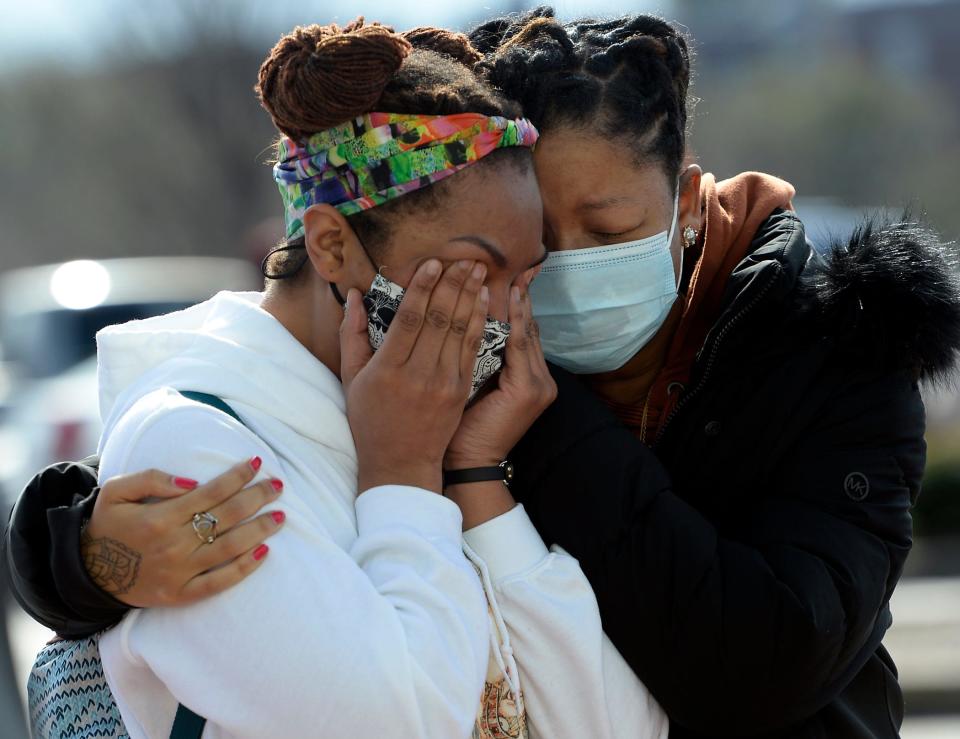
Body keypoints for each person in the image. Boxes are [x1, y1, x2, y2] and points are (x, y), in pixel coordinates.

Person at [7, 9, 960, 739]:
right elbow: (200, 461)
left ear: (684, 194)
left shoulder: (829, 353)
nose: (538, 288)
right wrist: (77, 552)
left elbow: (738, 673)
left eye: (611, 230)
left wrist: (458, 471)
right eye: (524, 249)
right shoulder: (433, 382)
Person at [13, 18, 669, 739]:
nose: (504, 315)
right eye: (476, 270)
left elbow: (616, 725)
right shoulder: (197, 442)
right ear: (332, 244)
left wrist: (474, 477)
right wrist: (401, 473)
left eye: (525, 276)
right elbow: (398, 723)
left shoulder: (463, 425)